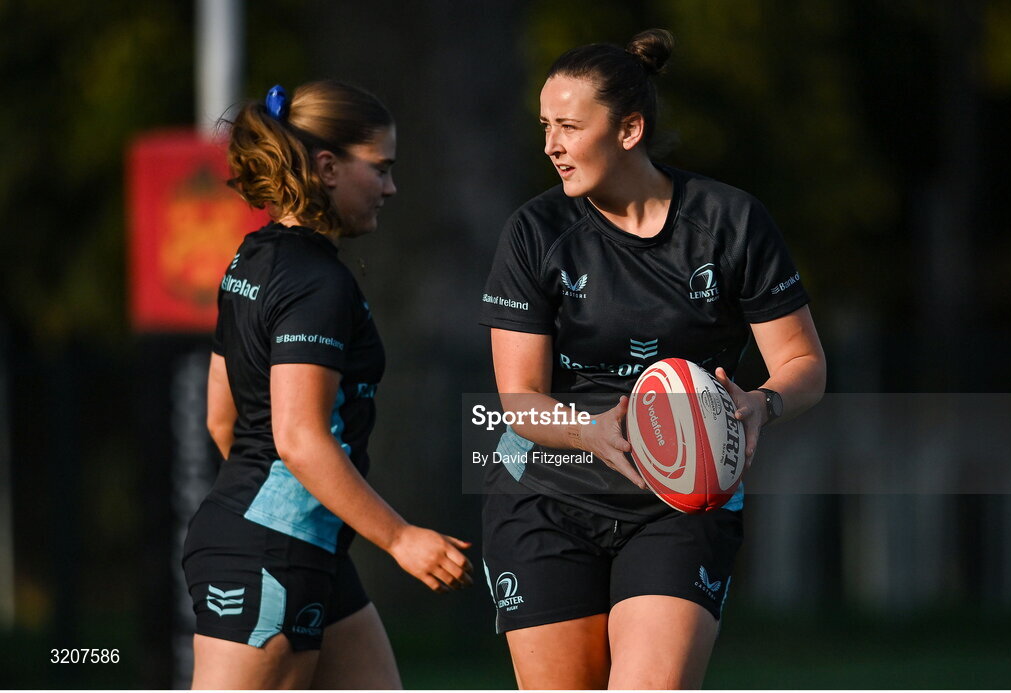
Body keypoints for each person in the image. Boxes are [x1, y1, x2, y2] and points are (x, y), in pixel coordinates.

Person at [478, 29, 826, 689]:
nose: (550, 144)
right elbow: (517, 399)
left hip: (684, 500)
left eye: (570, 126)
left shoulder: (729, 222)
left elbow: (805, 363)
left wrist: (761, 402)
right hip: (547, 496)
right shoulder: (536, 232)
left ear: (630, 129)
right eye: (545, 125)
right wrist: (592, 430)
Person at [183, 80, 473, 690]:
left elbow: (221, 418)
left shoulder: (251, 257)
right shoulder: (318, 283)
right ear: (327, 166)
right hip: (271, 556)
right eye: (382, 168)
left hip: (294, 546)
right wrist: (400, 538)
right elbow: (298, 437)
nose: (391, 188)